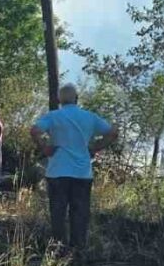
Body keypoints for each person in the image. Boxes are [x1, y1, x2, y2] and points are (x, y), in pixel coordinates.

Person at [29, 84, 119, 250]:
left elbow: (34, 130)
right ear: (77, 98)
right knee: (80, 214)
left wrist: (44, 147)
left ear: (59, 100)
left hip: (57, 172)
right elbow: (113, 132)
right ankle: (78, 250)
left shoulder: (53, 116)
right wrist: (96, 148)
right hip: (82, 173)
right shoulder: (89, 117)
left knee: (58, 213)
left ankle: (57, 249)